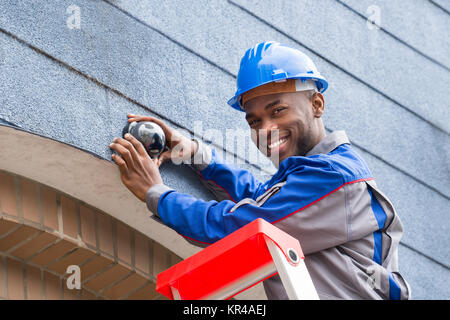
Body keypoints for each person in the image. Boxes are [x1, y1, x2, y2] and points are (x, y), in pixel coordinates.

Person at [109, 41, 410, 300]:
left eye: (278, 111)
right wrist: (197, 155)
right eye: (254, 122)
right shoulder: (313, 177)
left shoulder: (335, 176)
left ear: (317, 104)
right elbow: (262, 199)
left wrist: (156, 194)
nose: (266, 129)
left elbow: (242, 226)